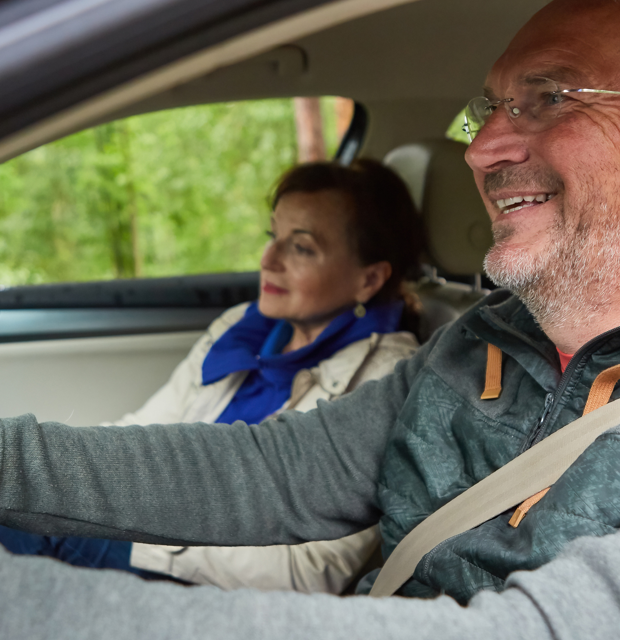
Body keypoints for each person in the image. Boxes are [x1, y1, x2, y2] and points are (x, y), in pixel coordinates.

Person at [0, 0, 620, 638]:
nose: (484, 147)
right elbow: (269, 472)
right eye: (489, 108)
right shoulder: (484, 345)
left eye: (550, 99)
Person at [0, 159, 425, 594]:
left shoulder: (389, 378)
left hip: (215, 585)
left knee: (25, 524)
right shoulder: (240, 327)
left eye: (301, 247)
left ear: (369, 279)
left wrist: (139, 528)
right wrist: (64, 482)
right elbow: (145, 428)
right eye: (272, 237)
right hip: (156, 541)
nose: (268, 261)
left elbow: (309, 571)